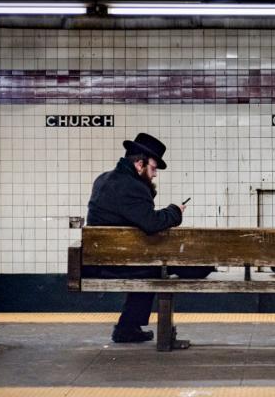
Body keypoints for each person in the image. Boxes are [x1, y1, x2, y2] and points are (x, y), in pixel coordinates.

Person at [84, 133, 214, 343]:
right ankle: (128, 328)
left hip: (103, 260)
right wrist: (175, 211)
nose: (155, 175)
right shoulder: (131, 187)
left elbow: (135, 216)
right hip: (117, 263)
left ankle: (128, 327)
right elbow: (151, 223)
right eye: (153, 168)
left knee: (151, 266)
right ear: (139, 164)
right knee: (168, 267)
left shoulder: (104, 179)